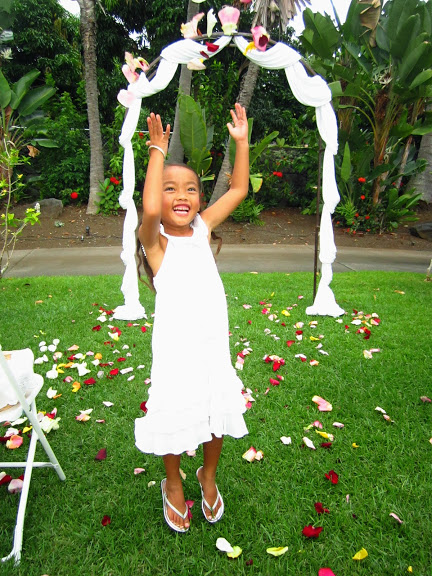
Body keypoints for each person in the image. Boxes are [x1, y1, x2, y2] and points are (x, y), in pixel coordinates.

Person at [134, 103, 250, 533]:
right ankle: (172, 482)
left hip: (212, 348)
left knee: (215, 409)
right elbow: (148, 212)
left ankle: (208, 474)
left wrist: (241, 143)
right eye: (170, 189)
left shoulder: (201, 229)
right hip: (174, 355)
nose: (181, 196)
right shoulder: (156, 244)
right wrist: (156, 152)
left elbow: (237, 190)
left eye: (189, 189)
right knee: (175, 413)